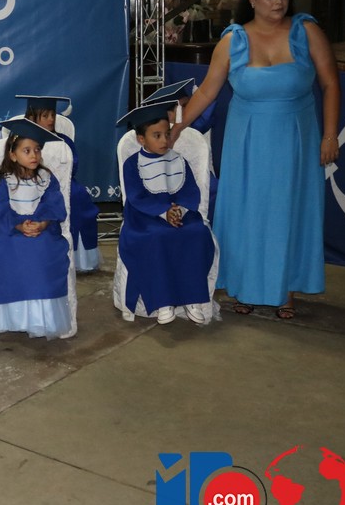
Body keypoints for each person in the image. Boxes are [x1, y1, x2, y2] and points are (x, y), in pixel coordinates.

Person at [171, 0, 340, 319]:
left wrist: (329, 135)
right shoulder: (232, 40)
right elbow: (207, 92)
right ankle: (243, 285)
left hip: (296, 140)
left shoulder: (307, 31)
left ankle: (285, 290)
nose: (279, 2)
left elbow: (330, 84)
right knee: (246, 213)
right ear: (251, 0)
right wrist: (178, 126)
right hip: (246, 142)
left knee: (288, 213)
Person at [117, 102, 216, 324]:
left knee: (197, 233)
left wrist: (179, 210)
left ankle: (192, 299)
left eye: (167, 134)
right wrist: (163, 212)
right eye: (157, 136)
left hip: (181, 214)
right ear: (141, 139)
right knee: (156, 237)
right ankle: (163, 302)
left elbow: (190, 190)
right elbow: (136, 197)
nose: (164, 140)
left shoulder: (178, 160)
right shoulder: (132, 164)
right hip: (145, 218)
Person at [0, 118, 72, 339]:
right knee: (5, 251)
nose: (34, 155)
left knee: (43, 251)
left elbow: (54, 204)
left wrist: (43, 223)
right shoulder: (4, 180)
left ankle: (40, 318)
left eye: (37, 149)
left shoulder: (46, 178)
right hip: (9, 228)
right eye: (26, 150)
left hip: (42, 227)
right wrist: (19, 224)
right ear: (13, 155)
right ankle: (9, 318)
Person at [19, 94, 100, 273]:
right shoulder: (24, 141)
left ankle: (79, 258)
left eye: (52, 115)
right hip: (33, 185)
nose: (51, 120)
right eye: (45, 116)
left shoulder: (64, 140)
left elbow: (73, 165)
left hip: (66, 184)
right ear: (31, 117)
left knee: (78, 196)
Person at [144, 79, 219, 218]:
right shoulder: (158, 139)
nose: (191, 110)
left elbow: (206, 117)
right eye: (185, 106)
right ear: (170, 114)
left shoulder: (193, 128)